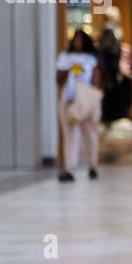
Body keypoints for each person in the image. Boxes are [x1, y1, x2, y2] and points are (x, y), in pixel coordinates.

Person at [56, 29, 102, 182]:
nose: (77, 43)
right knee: (70, 135)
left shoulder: (91, 59)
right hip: (69, 98)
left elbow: (96, 78)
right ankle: (69, 168)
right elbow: (58, 79)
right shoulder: (65, 57)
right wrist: (67, 70)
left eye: (80, 40)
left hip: (87, 98)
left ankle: (93, 165)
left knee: (90, 134)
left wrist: (89, 97)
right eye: (75, 40)